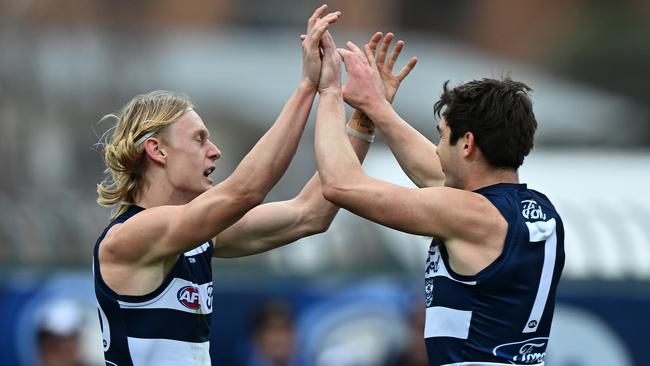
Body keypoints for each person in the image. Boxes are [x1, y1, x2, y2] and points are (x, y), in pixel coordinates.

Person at [92, 6, 415, 365]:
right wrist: (310, 86)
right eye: (199, 139)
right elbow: (245, 191)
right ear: (156, 149)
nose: (214, 152)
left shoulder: (197, 238)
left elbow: (310, 214)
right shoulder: (128, 237)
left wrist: (367, 113)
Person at [314, 32, 565, 365]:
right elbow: (433, 172)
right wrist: (375, 106)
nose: (437, 151)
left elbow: (340, 184)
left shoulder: (467, 214)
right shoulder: (535, 209)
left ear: (467, 144)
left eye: (442, 138)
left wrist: (329, 91)